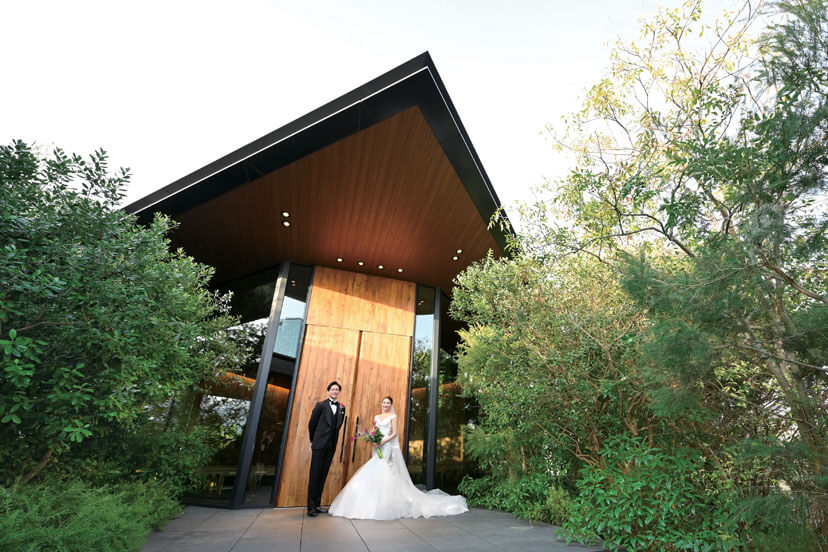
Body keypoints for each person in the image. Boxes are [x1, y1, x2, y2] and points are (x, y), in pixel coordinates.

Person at [329, 396, 468, 520]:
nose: (385, 405)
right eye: (384, 403)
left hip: (386, 445)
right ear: (381, 404)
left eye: (388, 403)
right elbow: (374, 430)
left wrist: (383, 441)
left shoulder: (393, 417)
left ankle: (385, 503)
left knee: (383, 467)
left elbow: (394, 433)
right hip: (376, 445)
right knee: (375, 467)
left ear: (391, 405)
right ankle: (373, 501)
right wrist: (371, 438)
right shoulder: (377, 417)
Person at [307, 381, 346, 517]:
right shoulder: (321, 405)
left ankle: (317, 504)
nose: (335, 391)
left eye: (337, 390)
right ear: (328, 391)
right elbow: (312, 423)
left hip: (331, 445)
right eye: (332, 389)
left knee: (323, 475)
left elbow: (338, 425)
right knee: (315, 475)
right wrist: (314, 439)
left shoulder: (342, 407)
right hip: (319, 444)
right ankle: (311, 507)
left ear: (339, 392)